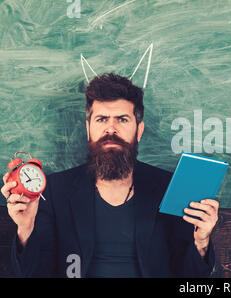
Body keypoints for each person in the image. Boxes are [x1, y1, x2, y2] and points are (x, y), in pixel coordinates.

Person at [1, 73, 218, 278]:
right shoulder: (55, 190)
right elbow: (34, 274)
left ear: (139, 130)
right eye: (102, 119)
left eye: (122, 119)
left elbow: (191, 278)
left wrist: (201, 242)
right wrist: (26, 230)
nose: (111, 129)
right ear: (88, 129)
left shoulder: (170, 188)